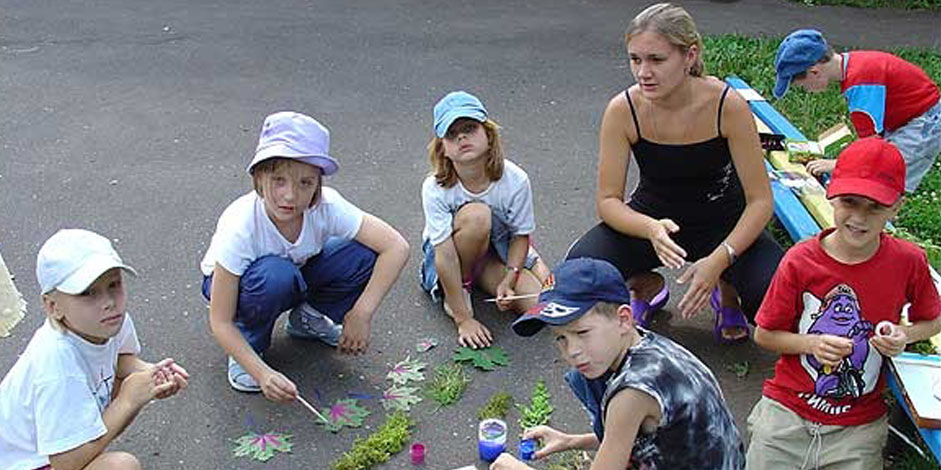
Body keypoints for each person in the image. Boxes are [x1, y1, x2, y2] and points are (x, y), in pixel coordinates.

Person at [566, 3, 782, 344]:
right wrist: (649, 227)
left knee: (777, 301)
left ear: (690, 56)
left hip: (724, 222)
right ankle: (647, 287)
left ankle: (728, 290)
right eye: (635, 59)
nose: (643, 72)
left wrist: (720, 259)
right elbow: (608, 201)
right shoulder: (624, 109)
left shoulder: (727, 105)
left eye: (656, 59)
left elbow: (760, 201)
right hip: (655, 221)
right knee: (578, 275)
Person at [745, 137, 941, 470]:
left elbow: (933, 320)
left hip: (859, 423)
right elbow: (764, 334)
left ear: (897, 207)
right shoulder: (800, 261)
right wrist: (812, 343)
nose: (859, 218)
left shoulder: (908, 261)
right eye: (850, 201)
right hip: (787, 411)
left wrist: (902, 336)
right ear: (831, 193)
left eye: (875, 207)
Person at [200, 111, 409, 401]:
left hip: (295, 271)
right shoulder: (241, 226)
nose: (290, 196)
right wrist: (262, 373)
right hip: (237, 286)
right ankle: (250, 343)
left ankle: (308, 319)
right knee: (274, 275)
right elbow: (220, 320)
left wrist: (361, 313)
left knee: (362, 252)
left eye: (305, 183)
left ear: (318, 185)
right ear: (259, 177)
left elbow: (395, 246)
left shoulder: (326, 206)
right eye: (279, 180)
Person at [489, 258, 745, 470]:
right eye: (561, 338)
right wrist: (570, 441)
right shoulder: (648, 348)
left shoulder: (632, 392)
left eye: (582, 333)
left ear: (623, 319)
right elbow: (644, 438)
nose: (572, 352)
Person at [0, 229, 188, 470]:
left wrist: (153, 375)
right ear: (53, 306)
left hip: (49, 452)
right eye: (87, 293)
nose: (108, 302)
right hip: (28, 463)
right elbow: (65, 463)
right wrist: (128, 400)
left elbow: (120, 359)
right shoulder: (57, 364)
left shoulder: (108, 322)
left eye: (114, 284)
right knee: (120, 466)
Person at [419, 91, 550, 349]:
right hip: (451, 256)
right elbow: (444, 254)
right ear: (442, 148)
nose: (462, 137)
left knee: (540, 304)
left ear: (489, 135)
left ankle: (488, 275)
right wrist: (463, 319)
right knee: (478, 215)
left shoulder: (516, 180)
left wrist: (509, 281)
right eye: (451, 134)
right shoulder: (435, 188)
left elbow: (520, 235)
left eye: (470, 128)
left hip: (497, 248)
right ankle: (460, 289)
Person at [774, 29, 941, 192]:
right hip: (911, 116)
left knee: (886, 176)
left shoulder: (860, 85)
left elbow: (870, 145)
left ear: (814, 72)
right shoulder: (853, 64)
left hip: (923, 124)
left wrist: (837, 165)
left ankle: (878, 215)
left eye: (803, 86)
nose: (807, 90)